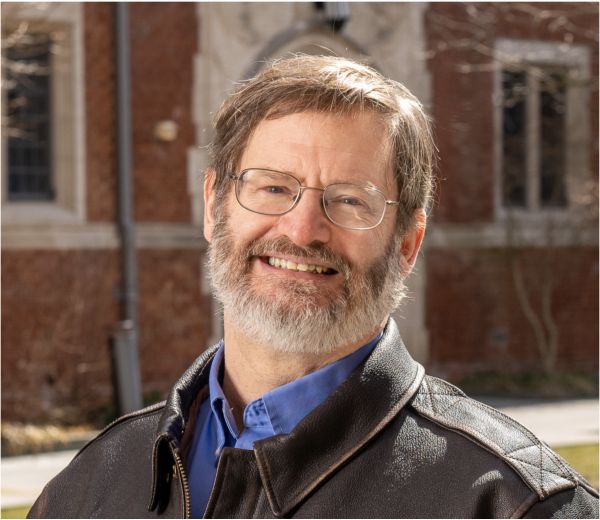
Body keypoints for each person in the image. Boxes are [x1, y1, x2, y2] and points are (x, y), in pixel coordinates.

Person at [29, 55, 598, 519]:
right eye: (273, 188)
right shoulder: (89, 488)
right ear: (213, 205)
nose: (302, 231)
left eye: (350, 200)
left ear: (407, 242)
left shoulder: (515, 505)